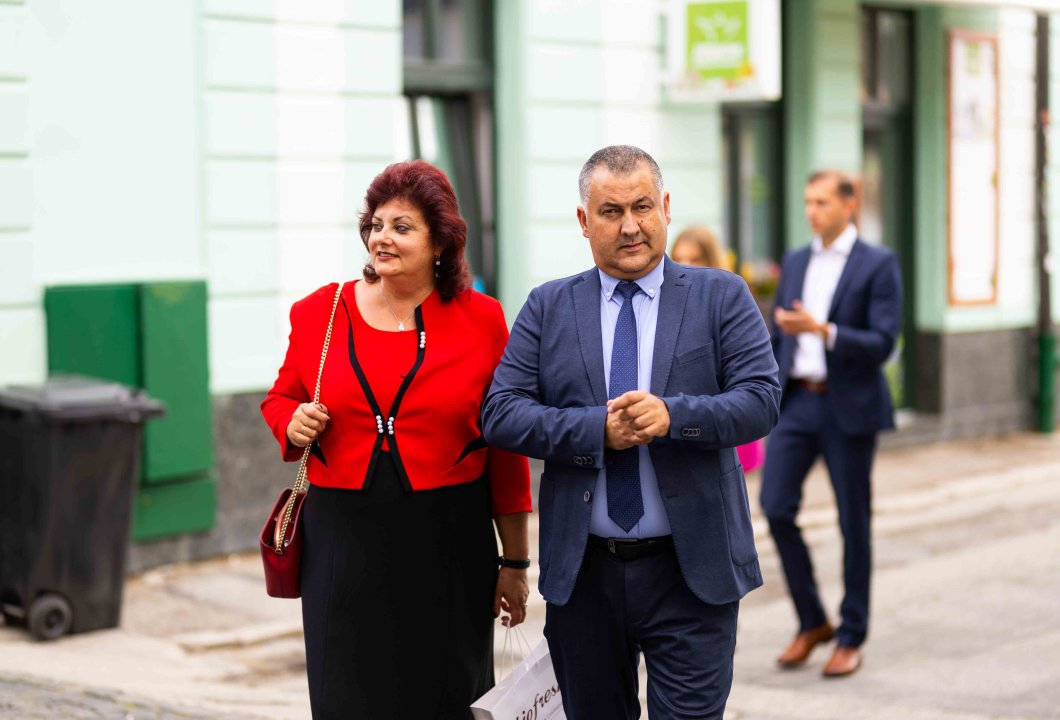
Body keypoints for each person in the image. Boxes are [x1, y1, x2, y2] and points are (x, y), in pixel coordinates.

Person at [482, 145, 781, 719]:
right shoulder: (548, 307)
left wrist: (673, 416)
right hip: (585, 573)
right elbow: (501, 412)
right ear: (583, 220)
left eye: (642, 207)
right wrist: (596, 429)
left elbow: (761, 401)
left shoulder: (721, 296)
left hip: (691, 572)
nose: (630, 226)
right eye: (611, 211)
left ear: (665, 207)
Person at [261, 160, 532, 719]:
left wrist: (515, 561)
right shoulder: (319, 312)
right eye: (376, 224)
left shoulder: (482, 319)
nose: (382, 237)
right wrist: (290, 421)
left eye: (402, 227)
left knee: (448, 697)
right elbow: (280, 396)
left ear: (440, 242)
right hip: (342, 544)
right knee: (347, 697)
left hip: (450, 544)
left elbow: (504, 448)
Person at [761, 169, 902, 678]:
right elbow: (780, 333)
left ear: (850, 204)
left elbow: (883, 342)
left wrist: (823, 330)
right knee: (775, 507)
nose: (811, 211)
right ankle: (812, 621)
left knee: (852, 522)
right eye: (807, 201)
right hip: (798, 402)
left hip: (849, 406)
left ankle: (850, 634)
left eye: (821, 202)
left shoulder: (877, 263)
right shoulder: (797, 260)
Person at [670, 225, 766, 473]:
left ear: (710, 259)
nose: (685, 265)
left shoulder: (728, 302)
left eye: (695, 258)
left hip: (723, 416)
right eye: (679, 258)